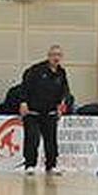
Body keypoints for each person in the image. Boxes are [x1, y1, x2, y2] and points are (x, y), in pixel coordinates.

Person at [19, 45, 70, 175]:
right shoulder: (36, 70)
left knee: (51, 140)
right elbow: (24, 87)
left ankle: (51, 165)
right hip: (33, 112)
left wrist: (61, 106)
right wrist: (23, 102)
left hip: (50, 112)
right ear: (49, 56)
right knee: (32, 138)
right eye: (53, 55)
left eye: (59, 55)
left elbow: (65, 92)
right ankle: (30, 165)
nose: (56, 58)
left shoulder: (61, 73)